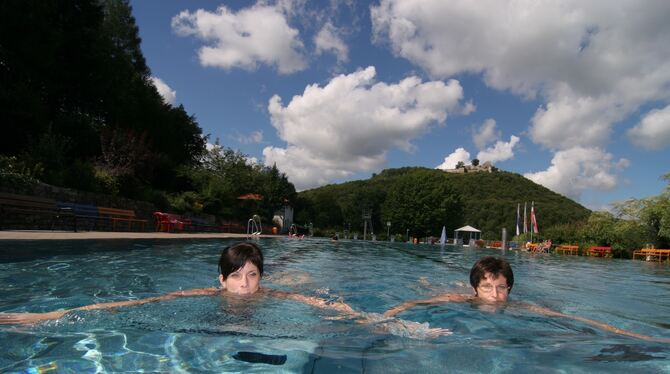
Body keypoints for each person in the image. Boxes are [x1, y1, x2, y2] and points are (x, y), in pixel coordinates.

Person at [0, 242, 449, 338]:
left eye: (253, 275)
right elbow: (133, 304)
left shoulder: (275, 298)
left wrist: (396, 325)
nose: (245, 286)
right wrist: (45, 317)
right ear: (221, 280)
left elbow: (329, 306)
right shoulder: (202, 297)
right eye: (236, 276)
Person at [384, 256, 670, 343]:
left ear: (510, 288)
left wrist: (635, 335)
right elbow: (410, 304)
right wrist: (385, 318)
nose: (495, 297)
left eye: (502, 288)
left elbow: (573, 319)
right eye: (487, 288)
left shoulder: (521, 307)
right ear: (474, 290)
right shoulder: (457, 299)